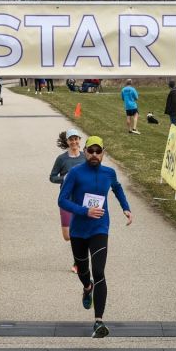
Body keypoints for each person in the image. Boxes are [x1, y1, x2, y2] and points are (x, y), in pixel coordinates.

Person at [58, 136, 132, 338]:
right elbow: (62, 200)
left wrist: (126, 208)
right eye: (90, 151)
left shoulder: (109, 172)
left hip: (100, 228)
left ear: (103, 153)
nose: (94, 155)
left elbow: (116, 187)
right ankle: (87, 286)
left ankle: (99, 322)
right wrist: (84, 211)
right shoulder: (75, 173)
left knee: (99, 271)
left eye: (98, 151)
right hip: (79, 230)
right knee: (84, 270)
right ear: (85, 152)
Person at [50, 129, 87, 271]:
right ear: (67, 142)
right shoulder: (62, 159)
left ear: (79, 140)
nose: (74, 142)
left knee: (79, 232)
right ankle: (81, 252)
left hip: (82, 200)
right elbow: (52, 177)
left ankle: (78, 262)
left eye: (76, 139)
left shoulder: (85, 157)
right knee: (67, 235)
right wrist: (63, 178)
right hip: (66, 199)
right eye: (71, 139)